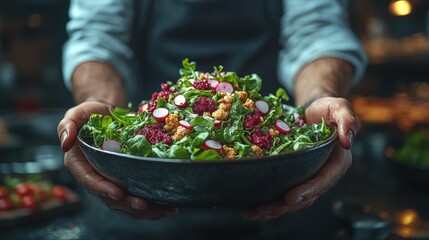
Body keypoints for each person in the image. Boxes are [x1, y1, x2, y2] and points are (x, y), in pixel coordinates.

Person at [57, 0, 367, 239]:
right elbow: (97, 38)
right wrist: (99, 105)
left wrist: (318, 101)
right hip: (138, 192)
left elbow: (317, 31)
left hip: (279, 192)